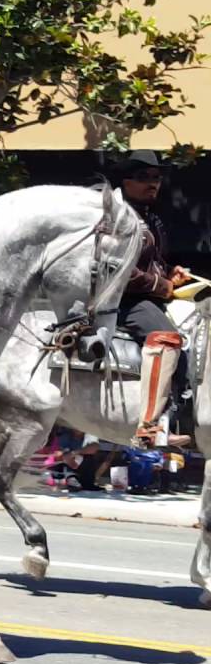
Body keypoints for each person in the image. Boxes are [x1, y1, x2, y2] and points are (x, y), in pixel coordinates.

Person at [111, 150, 194, 448]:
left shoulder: (153, 220)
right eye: (143, 177)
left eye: (156, 178)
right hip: (125, 301)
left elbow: (155, 262)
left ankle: (187, 414)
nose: (152, 183)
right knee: (167, 338)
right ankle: (149, 426)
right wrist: (163, 287)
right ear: (126, 181)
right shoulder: (118, 218)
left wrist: (173, 272)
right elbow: (119, 271)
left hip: (151, 297)